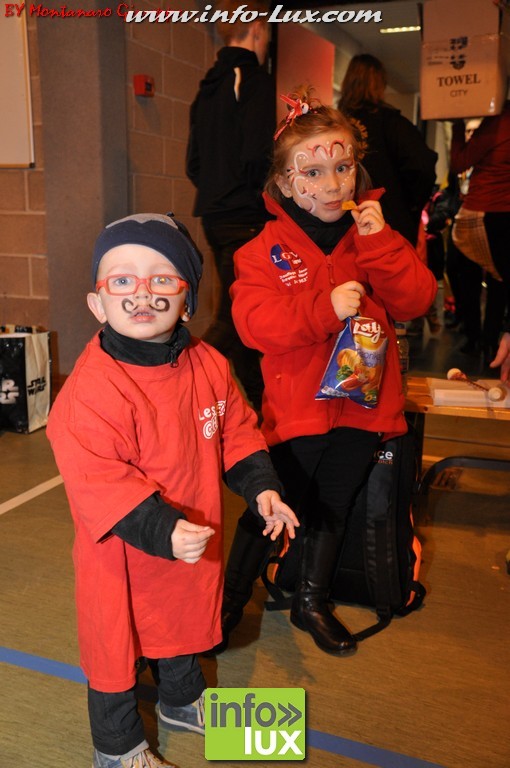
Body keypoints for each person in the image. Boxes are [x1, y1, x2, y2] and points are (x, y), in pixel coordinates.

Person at [46, 213, 298, 768]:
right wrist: (163, 529)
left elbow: (236, 431)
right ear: (97, 303)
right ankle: (118, 748)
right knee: (115, 648)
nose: (142, 293)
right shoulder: (89, 392)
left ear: (187, 302)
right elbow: (99, 480)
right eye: (122, 280)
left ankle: (182, 702)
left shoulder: (209, 363)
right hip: (123, 550)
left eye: (161, 278)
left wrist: (261, 486)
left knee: (184, 622)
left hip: (190, 535)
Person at [220, 87, 437, 658]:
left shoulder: (375, 236)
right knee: (274, 505)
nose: (333, 183)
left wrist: (381, 244)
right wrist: (323, 309)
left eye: (342, 167)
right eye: (313, 172)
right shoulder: (260, 252)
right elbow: (254, 325)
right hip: (297, 410)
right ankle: (230, 598)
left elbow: (416, 299)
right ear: (286, 183)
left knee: (333, 505)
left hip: (364, 405)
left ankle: (311, 600)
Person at [186, 0, 275, 413]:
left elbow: (193, 163)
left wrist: (219, 191)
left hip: (215, 216)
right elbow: (258, 154)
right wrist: (256, 195)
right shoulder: (254, 80)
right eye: (267, 31)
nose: (267, 40)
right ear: (256, 28)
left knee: (241, 316)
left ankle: (264, 407)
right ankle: (177, 380)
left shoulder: (207, 87)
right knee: (235, 318)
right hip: (246, 216)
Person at [338, 53, 438, 249]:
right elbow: (422, 165)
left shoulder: (335, 125)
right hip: (389, 219)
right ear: (380, 84)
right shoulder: (393, 123)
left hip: (342, 220)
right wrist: (411, 204)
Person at [450, 102, 510, 367]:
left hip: (484, 211)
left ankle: (476, 337)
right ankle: (489, 339)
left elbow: (459, 162)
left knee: (465, 275)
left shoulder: (499, 121)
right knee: (499, 280)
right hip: (501, 212)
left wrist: (457, 123)